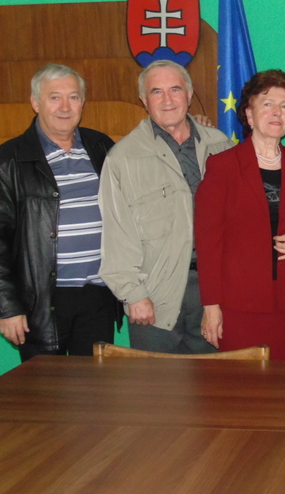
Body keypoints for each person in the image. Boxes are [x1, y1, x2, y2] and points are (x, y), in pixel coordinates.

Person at [0, 64, 120, 361]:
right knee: (43, 388)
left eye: (73, 97)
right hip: (40, 302)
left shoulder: (101, 147)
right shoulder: (8, 160)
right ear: (35, 102)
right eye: (54, 97)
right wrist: (7, 308)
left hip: (98, 297)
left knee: (95, 387)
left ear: (83, 102)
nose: (65, 107)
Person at [99, 59, 234, 353]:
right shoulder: (122, 159)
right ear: (144, 100)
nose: (167, 99)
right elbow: (116, 234)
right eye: (156, 92)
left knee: (215, 380)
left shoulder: (220, 145)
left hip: (215, 292)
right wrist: (133, 294)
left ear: (189, 94)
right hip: (154, 297)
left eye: (175, 89)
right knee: (159, 382)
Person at [194, 70, 285, 360]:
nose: (277, 112)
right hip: (239, 304)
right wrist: (211, 306)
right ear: (249, 115)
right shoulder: (222, 166)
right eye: (267, 104)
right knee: (242, 385)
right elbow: (208, 242)